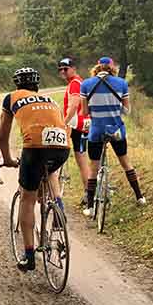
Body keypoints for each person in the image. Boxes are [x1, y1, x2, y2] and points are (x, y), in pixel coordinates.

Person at [0, 67, 70, 272]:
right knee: (51, 172)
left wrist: (8, 159)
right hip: (62, 146)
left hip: (35, 149)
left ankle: (29, 256)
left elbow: (3, 135)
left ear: (17, 84)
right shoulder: (49, 100)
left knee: (27, 199)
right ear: (37, 85)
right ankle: (58, 210)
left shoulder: (11, 98)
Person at [80, 56, 146, 216]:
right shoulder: (121, 84)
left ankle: (89, 207)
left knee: (93, 169)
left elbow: (85, 112)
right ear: (112, 67)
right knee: (126, 163)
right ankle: (139, 197)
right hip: (116, 130)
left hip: (96, 131)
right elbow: (127, 111)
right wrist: (115, 111)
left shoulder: (86, 84)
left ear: (97, 67)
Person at [58, 57, 92, 206]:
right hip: (82, 125)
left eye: (65, 69)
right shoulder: (79, 82)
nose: (63, 72)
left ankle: (88, 193)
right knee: (82, 159)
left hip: (77, 127)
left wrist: (63, 123)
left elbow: (73, 106)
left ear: (73, 68)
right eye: (60, 69)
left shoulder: (74, 84)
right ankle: (88, 192)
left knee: (82, 160)